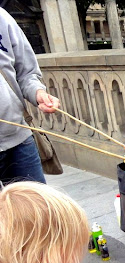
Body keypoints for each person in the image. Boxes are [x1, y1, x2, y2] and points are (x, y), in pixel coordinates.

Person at [0, 7, 60, 184]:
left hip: (19, 139)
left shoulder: (3, 18)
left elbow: (26, 73)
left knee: (38, 209)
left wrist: (38, 93)